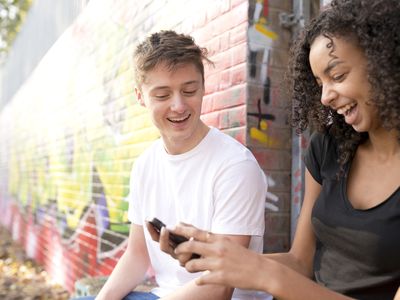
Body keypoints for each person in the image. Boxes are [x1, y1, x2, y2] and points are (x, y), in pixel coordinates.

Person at [163, 0, 400, 299]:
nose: (325, 96)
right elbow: (299, 261)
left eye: (337, 76)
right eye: (319, 83)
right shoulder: (327, 149)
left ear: (385, 62)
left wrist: (265, 274)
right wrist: (218, 255)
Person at [84, 30, 268, 300]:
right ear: (140, 97)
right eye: (162, 95)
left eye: (189, 90)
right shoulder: (144, 165)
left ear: (203, 87)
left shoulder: (236, 167)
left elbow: (220, 286)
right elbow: (137, 254)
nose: (179, 106)